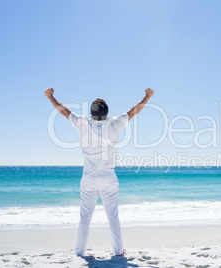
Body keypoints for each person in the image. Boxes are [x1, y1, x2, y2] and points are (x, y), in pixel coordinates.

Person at [44, 87, 154, 256]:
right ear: (107, 113)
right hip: (108, 177)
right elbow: (134, 111)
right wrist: (147, 97)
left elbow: (64, 111)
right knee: (113, 216)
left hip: (89, 178)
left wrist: (51, 97)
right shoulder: (114, 124)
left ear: (91, 113)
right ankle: (118, 252)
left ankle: (80, 251)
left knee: (85, 217)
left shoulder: (83, 123)